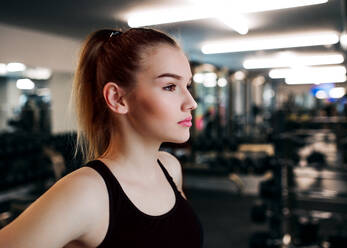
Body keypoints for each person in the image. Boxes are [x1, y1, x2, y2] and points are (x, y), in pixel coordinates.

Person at [0, 28, 203, 248]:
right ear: (117, 98)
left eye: (188, 85)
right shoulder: (87, 192)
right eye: (170, 86)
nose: (191, 102)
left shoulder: (170, 168)